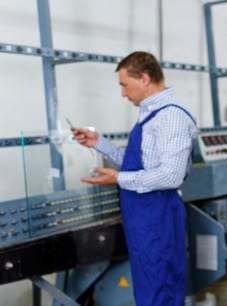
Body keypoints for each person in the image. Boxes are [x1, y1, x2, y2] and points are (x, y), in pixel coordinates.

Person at [72, 51, 197, 306]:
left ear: (144, 78)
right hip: (144, 219)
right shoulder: (151, 114)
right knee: (150, 288)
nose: (123, 94)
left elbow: (169, 176)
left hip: (157, 218)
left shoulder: (170, 116)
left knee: (159, 290)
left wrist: (119, 179)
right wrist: (99, 143)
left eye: (124, 85)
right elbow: (139, 163)